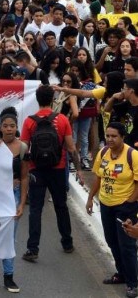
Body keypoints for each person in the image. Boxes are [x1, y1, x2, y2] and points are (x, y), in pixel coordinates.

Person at [21, 85, 82, 263]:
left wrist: (22, 172)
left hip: (36, 169)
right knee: (61, 206)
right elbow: (71, 148)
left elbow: (24, 148)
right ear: (52, 100)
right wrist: (78, 169)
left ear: (38, 100)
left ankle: (32, 249)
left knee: (35, 210)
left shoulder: (29, 121)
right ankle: (67, 243)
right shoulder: (62, 119)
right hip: (57, 168)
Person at [86, 122, 138, 298]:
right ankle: (121, 274)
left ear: (123, 137)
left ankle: (133, 283)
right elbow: (98, 177)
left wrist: (129, 204)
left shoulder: (133, 155)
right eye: (107, 135)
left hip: (125, 207)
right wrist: (90, 198)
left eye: (114, 136)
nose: (109, 139)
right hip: (106, 205)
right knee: (112, 242)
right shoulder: (103, 153)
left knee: (127, 246)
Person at [0, 107, 29, 294]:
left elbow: (25, 176)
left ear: (16, 127)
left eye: (12, 126)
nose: (9, 129)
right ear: (0, 128)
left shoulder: (23, 148)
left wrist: (21, 203)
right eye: (5, 126)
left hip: (13, 196)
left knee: (9, 238)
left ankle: (9, 277)